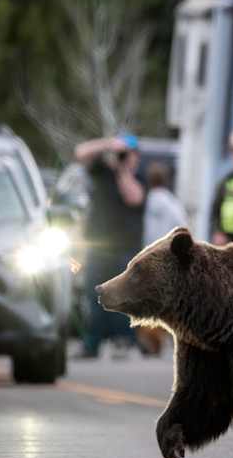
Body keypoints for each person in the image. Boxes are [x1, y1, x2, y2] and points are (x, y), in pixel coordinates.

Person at [74, 134, 145, 358]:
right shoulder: (102, 171)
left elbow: (134, 198)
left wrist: (123, 171)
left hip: (125, 248)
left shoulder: (138, 178)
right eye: (122, 154)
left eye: (128, 154)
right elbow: (80, 152)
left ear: (136, 157)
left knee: (124, 296)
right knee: (93, 295)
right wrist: (108, 144)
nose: (124, 157)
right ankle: (91, 343)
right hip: (98, 245)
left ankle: (124, 341)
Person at [137, 161, 187, 357]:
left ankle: (149, 340)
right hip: (166, 256)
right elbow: (181, 225)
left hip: (146, 255)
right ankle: (166, 340)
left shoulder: (146, 201)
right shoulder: (171, 201)